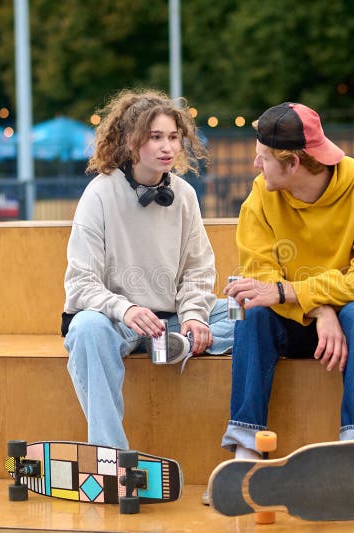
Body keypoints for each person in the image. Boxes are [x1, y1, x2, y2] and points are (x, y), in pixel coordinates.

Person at [222, 102, 354, 459]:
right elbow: (260, 277)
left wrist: (293, 292)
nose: (255, 165)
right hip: (307, 319)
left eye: (263, 158)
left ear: (293, 163)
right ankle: (246, 449)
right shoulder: (261, 194)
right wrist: (321, 310)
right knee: (252, 310)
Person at [62, 88, 233, 450]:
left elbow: (199, 270)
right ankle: (111, 454)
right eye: (155, 137)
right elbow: (81, 282)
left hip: (169, 319)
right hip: (117, 321)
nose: (166, 147)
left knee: (245, 313)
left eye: (173, 137)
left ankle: (182, 343)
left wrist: (194, 316)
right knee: (86, 328)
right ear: (130, 140)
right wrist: (126, 308)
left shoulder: (184, 195)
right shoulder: (99, 194)